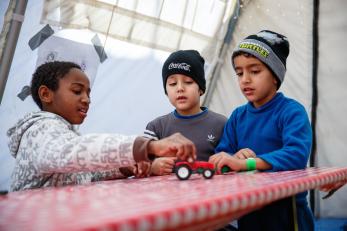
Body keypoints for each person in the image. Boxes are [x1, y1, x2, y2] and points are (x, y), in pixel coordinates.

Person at [8, 61, 196, 191]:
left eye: (88, 93)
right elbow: (76, 151)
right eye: (76, 91)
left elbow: (84, 173)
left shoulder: (63, 133)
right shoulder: (40, 131)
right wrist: (148, 146)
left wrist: (125, 167)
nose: (86, 99)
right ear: (46, 94)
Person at [209, 30, 314, 230]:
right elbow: (221, 155)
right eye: (239, 73)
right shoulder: (237, 116)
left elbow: (296, 154)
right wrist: (233, 157)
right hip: (249, 211)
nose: (245, 79)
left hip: (287, 213)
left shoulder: (292, 111)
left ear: (275, 76)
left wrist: (246, 164)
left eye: (254, 71)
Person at [143, 50, 227, 175]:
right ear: (166, 91)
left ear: (201, 89)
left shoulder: (222, 124)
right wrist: (152, 167)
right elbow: (137, 162)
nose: (180, 88)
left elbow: (230, 160)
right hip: (166, 193)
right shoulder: (156, 127)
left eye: (188, 82)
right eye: (172, 83)